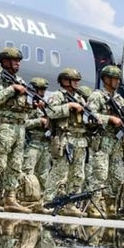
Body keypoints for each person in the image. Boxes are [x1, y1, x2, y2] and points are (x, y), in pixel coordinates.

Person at [0, 48, 33, 211]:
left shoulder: (20, 80)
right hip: (3, 126)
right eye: (14, 60)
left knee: (15, 164)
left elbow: (24, 107)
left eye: (18, 60)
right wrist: (12, 89)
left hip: (19, 127)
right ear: (4, 62)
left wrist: (32, 106)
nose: (17, 63)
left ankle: (10, 199)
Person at [89, 65, 124, 201]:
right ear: (106, 79)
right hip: (103, 141)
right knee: (99, 175)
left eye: (118, 79)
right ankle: (94, 204)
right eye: (115, 79)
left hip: (117, 143)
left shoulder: (119, 100)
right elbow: (89, 116)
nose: (117, 82)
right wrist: (109, 118)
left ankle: (110, 205)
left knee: (117, 176)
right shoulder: (97, 96)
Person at [44, 68, 92, 198]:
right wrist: (69, 106)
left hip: (80, 139)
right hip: (65, 138)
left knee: (77, 174)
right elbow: (50, 112)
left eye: (77, 80)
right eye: (74, 80)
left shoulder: (80, 98)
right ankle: (48, 199)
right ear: (65, 81)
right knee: (60, 172)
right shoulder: (57, 96)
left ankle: (71, 201)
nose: (77, 83)